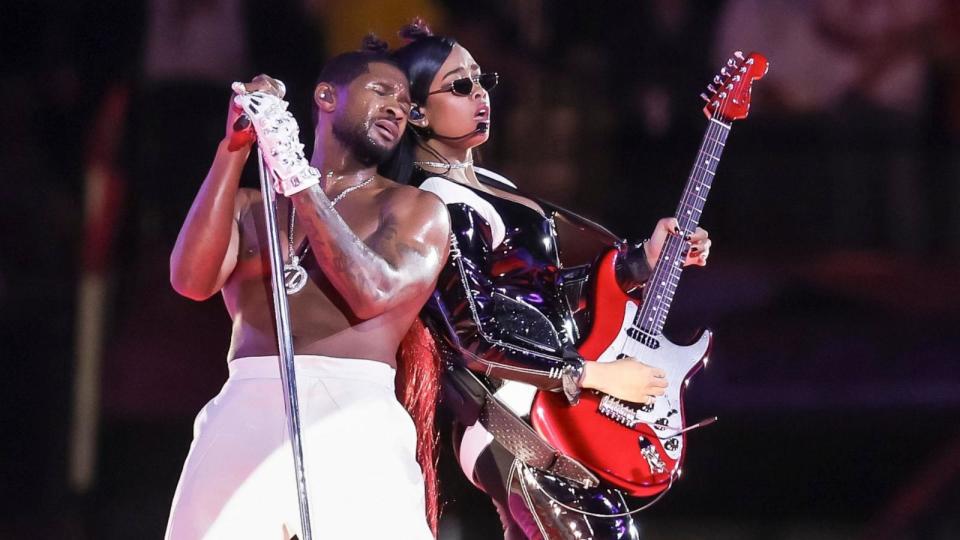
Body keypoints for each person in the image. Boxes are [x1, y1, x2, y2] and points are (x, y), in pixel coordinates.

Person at [380, 20, 711, 539]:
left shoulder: (488, 185)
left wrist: (643, 261)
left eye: (481, 79)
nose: (481, 94)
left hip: (539, 400)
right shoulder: (437, 202)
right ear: (417, 112)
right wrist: (592, 375)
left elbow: (544, 294)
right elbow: (476, 336)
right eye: (460, 86)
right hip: (509, 410)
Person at [165, 38, 449, 539]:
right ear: (325, 97)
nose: (396, 110)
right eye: (381, 92)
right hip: (246, 405)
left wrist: (297, 174)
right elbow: (190, 282)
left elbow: (372, 292)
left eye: (405, 106)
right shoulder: (251, 205)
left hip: (352, 410)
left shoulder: (412, 209)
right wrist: (236, 145)